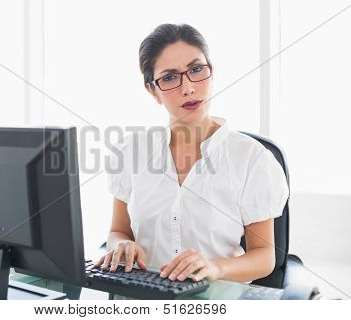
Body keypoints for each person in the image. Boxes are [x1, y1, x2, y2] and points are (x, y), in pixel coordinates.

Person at [95, 23, 289, 284]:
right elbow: (119, 230)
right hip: (145, 296)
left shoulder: (252, 158)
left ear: (212, 73)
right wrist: (121, 246)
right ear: (153, 91)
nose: (188, 88)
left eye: (197, 70)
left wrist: (215, 268)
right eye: (170, 77)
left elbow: (264, 257)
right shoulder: (131, 152)